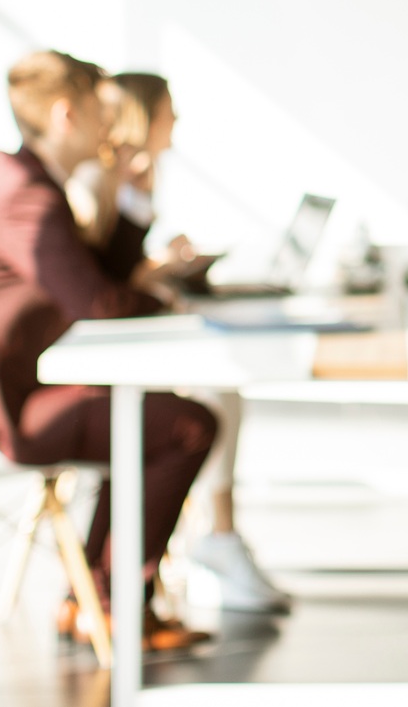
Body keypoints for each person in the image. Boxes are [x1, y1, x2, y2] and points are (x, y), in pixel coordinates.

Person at [0, 51, 217, 652]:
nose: (112, 131)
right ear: (65, 114)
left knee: (146, 416)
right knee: (185, 426)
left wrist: (134, 203)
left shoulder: (30, 187)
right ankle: (107, 604)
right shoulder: (26, 199)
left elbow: (98, 277)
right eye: (104, 114)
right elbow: (98, 301)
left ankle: (97, 599)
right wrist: (169, 304)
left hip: (4, 391)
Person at [106, 71, 293, 614]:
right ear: (146, 116)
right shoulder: (111, 178)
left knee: (225, 389)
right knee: (211, 398)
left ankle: (222, 538)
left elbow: (124, 266)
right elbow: (107, 278)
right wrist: (160, 268)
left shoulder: (142, 178)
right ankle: (219, 542)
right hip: (117, 345)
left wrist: (165, 266)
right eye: (170, 110)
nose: (178, 121)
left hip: (140, 323)